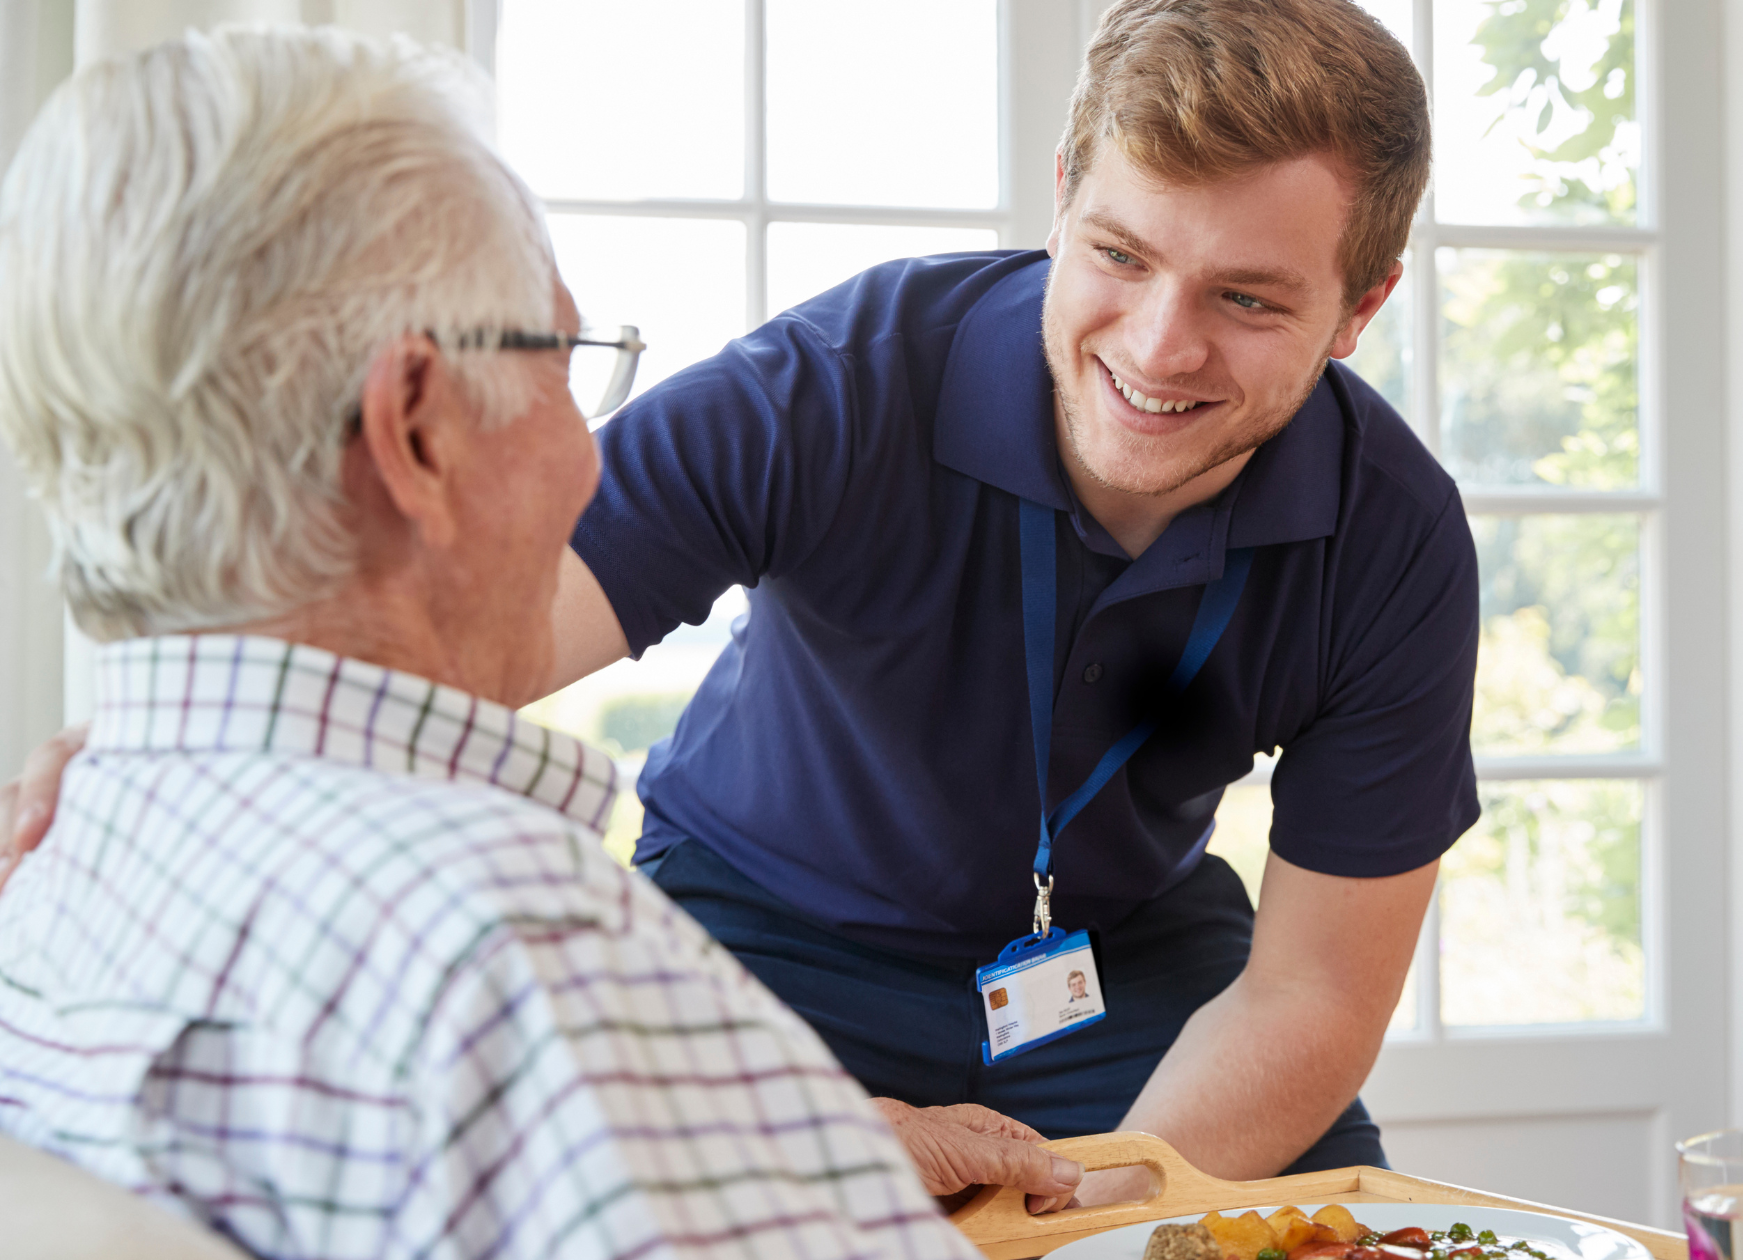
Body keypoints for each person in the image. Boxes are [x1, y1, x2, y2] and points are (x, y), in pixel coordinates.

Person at [6, 0, 1478, 1194]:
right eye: (1118, 254)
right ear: (1063, 200)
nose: (1158, 347)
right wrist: (165, 753)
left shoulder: (1397, 534)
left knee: (1306, 1229)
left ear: (1359, 308)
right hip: (766, 931)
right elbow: (447, 628)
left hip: (1118, 962)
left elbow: (1308, 999)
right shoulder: (833, 388)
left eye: (1248, 298)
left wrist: (1102, 1216)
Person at [0, 27, 1076, 1257]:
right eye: (561, 365)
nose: (587, 458)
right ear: (414, 427)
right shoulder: (515, 951)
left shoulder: (51, 870)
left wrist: (760, 1147)